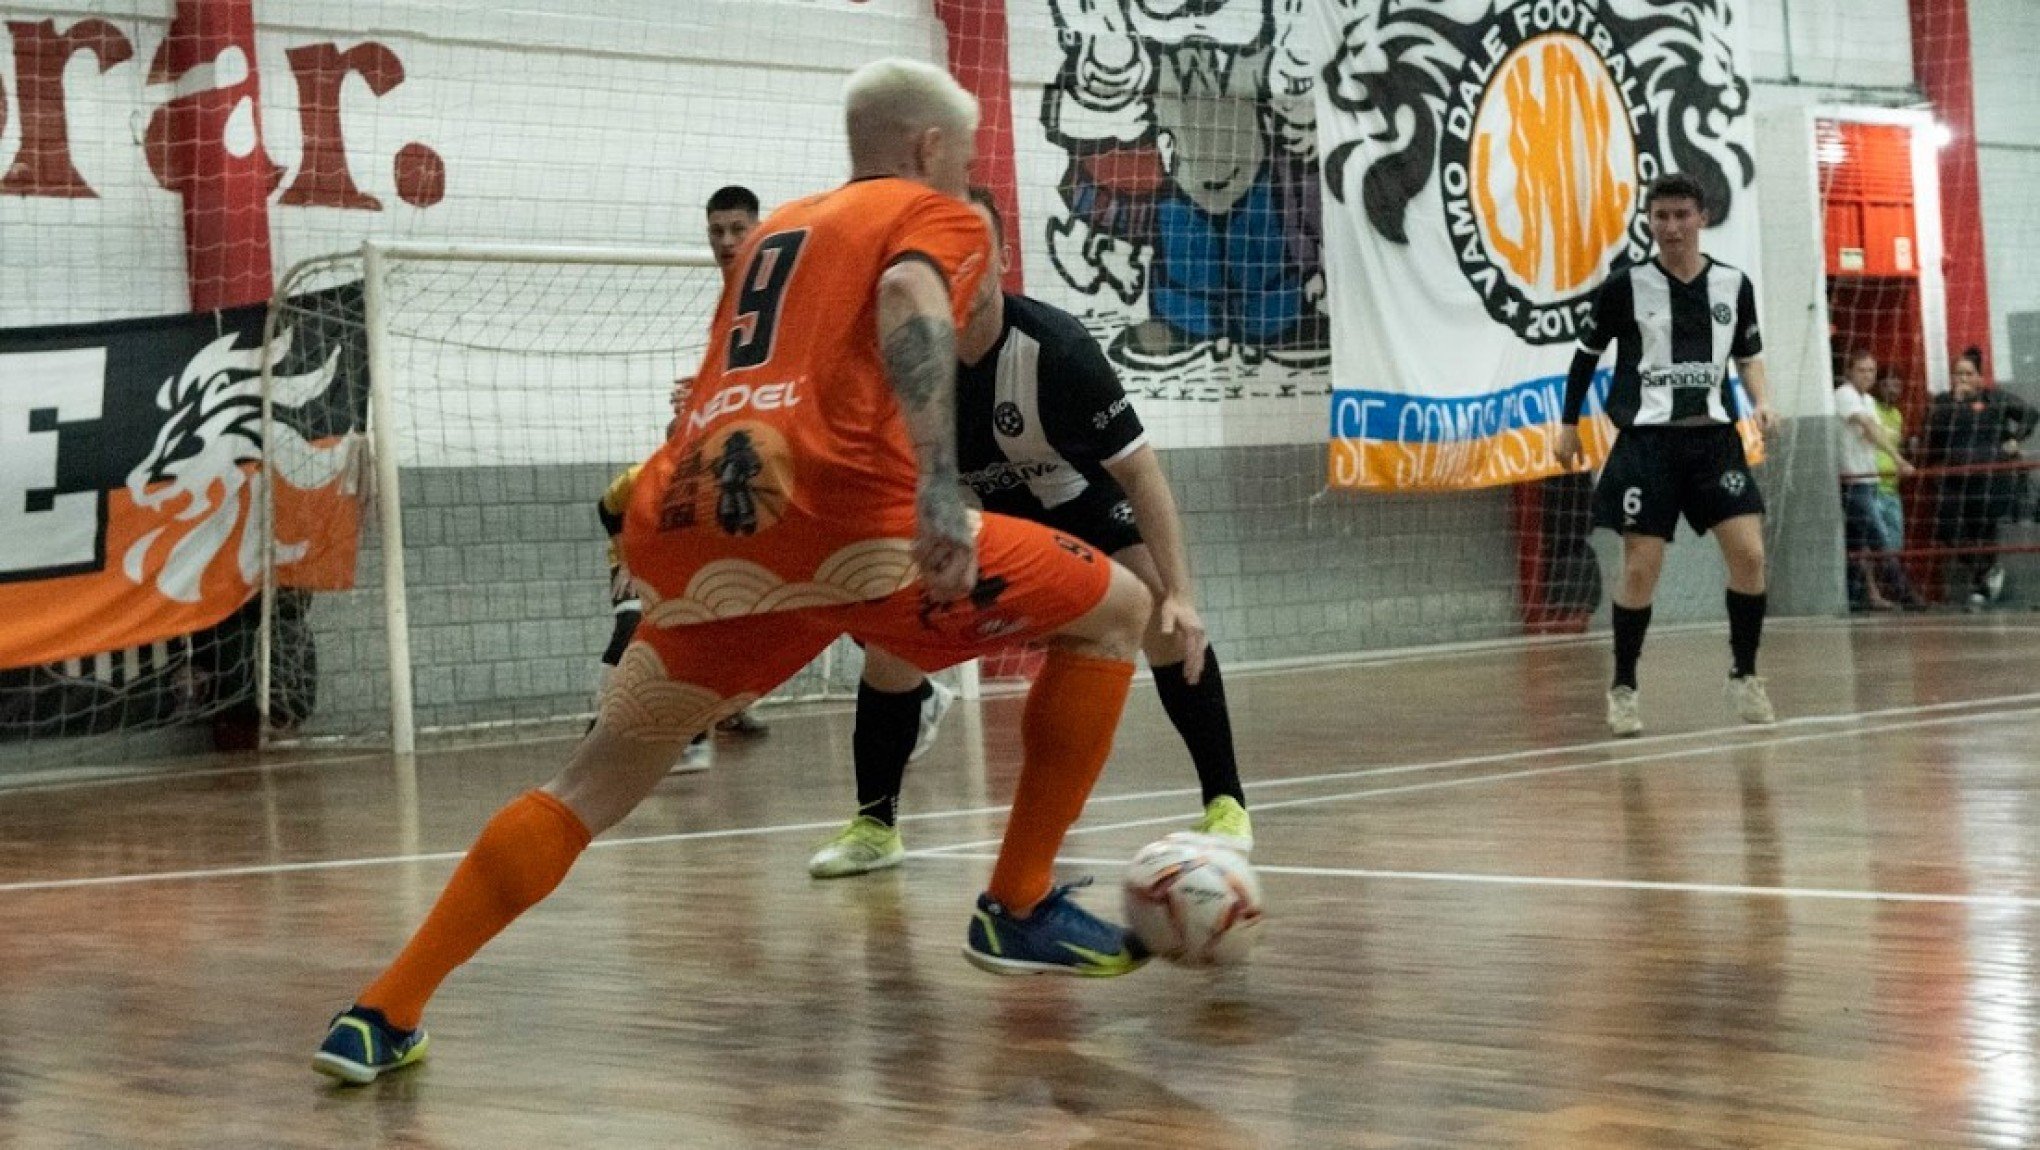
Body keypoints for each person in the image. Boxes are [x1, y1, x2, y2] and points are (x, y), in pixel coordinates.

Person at [314, 58, 1157, 1086]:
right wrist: (941, 482)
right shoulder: (937, 216)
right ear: (932, 149)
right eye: (968, 154)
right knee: (1121, 607)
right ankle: (1018, 902)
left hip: (711, 528)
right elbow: (908, 297)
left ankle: (379, 1010)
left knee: (589, 783)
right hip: (847, 521)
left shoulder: (771, 237)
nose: (967, 172)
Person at [806, 188, 1248, 880]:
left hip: (1078, 509)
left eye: (976, 249)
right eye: (945, 253)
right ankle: (875, 823)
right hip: (982, 522)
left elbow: (1143, 477)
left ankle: (1226, 802)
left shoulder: (1060, 350)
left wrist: (1185, 594)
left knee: (1162, 611)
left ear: (1002, 258)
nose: (962, 266)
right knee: (892, 648)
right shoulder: (909, 361)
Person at [1554, 172, 1782, 738]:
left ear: (1702, 217)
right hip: (1647, 445)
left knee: (1750, 556)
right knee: (1640, 569)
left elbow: (1749, 355)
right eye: (1662, 217)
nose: (1673, 227)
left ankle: (1745, 673)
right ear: (1649, 222)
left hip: (1714, 442)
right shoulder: (1625, 286)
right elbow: (1585, 356)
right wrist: (1566, 425)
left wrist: (1763, 402)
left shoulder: (1733, 285)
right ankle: (1624, 686)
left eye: (1683, 215)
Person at [593, 379, 711, 774]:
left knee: (690, 638)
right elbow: (606, 510)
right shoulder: (640, 477)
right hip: (634, 562)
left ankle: (698, 736)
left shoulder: (710, 476)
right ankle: (602, 719)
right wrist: (625, 561)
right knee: (629, 628)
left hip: (679, 565)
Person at [698, 184, 771, 738]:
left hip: (782, 456)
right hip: (742, 458)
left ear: (758, 229)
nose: (726, 241)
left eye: (736, 230)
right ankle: (717, 707)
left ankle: (914, 688)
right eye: (716, 231)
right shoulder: (728, 303)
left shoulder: (772, 292)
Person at [1921, 346, 2038, 608]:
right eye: (1957, 373)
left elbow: (2030, 413)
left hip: (1989, 478)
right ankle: (1986, 574)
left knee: (1984, 532)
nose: (1961, 378)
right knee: (1948, 529)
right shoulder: (1942, 403)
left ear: (1978, 376)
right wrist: (1956, 403)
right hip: (1954, 479)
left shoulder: (1994, 399)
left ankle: (1983, 589)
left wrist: (2014, 439)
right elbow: (1931, 435)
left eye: (1967, 373)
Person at [1833, 350, 1918, 611]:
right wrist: (1898, 458)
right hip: (1853, 481)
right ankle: (1905, 592)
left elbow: (1873, 431)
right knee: (1879, 537)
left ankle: (1863, 596)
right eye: (1862, 370)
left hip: (1868, 479)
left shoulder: (1867, 400)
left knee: (1858, 543)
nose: (1868, 376)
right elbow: (1869, 427)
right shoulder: (1844, 395)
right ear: (1849, 372)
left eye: (1871, 370)